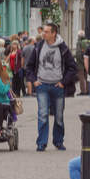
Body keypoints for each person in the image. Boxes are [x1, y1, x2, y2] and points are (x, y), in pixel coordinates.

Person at [25, 22, 77, 152]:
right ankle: (41, 143)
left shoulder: (62, 48)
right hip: (42, 85)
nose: (44, 33)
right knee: (43, 114)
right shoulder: (38, 47)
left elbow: (72, 67)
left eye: (47, 32)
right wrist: (34, 80)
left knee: (58, 115)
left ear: (54, 33)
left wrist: (63, 82)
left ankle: (58, 141)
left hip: (57, 85)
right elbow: (29, 66)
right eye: (43, 31)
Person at [74, 30, 90, 96]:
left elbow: (78, 53)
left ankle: (83, 91)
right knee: (86, 77)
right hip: (87, 61)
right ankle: (88, 90)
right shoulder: (88, 42)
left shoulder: (79, 42)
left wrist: (79, 61)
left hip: (80, 63)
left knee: (81, 77)